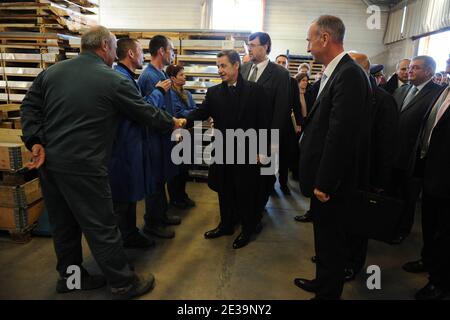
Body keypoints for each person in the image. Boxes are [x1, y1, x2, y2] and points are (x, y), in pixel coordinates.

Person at [20, 26, 185, 299]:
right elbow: (144, 112)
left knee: (65, 226)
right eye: (113, 48)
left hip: (50, 165)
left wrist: (34, 140)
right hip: (84, 166)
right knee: (101, 225)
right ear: (106, 47)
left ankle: (71, 279)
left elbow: (29, 106)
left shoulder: (52, 72)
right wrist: (173, 121)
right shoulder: (111, 79)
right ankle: (123, 282)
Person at [293, 15, 371, 300]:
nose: (307, 45)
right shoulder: (335, 71)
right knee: (323, 238)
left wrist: (325, 182)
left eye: (309, 39)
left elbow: (341, 135)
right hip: (323, 178)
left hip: (332, 183)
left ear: (324, 38)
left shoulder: (348, 74)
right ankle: (323, 281)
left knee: (332, 239)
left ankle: (328, 293)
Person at [186, 50, 270, 249]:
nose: (219, 70)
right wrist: (183, 121)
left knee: (246, 192)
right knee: (224, 190)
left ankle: (247, 229)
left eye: (223, 66)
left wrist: (264, 150)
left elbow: (265, 123)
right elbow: (201, 112)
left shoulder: (256, 91)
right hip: (223, 151)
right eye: (218, 66)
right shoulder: (214, 92)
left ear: (236, 65)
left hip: (248, 151)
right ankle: (226, 225)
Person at [390, 56, 442, 245]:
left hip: (414, 157)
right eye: (409, 67)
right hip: (393, 153)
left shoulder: (437, 93)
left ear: (429, 71)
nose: (409, 71)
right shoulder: (402, 90)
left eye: (415, 68)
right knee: (392, 193)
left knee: (407, 197)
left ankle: (402, 230)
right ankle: (388, 225)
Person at [109, 38, 154, 249]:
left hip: (130, 147)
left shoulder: (127, 77)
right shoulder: (121, 79)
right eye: (141, 51)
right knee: (121, 200)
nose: (143, 55)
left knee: (129, 196)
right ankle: (118, 250)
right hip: (121, 150)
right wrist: (159, 93)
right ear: (131, 54)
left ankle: (130, 234)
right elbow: (142, 110)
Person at [138, 35, 181, 239]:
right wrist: (172, 123)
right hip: (154, 137)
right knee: (154, 181)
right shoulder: (148, 77)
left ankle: (161, 215)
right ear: (162, 51)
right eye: (171, 49)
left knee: (162, 177)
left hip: (165, 135)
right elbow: (150, 111)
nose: (173, 53)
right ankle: (152, 223)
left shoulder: (161, 72)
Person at [241, 32, 291, 201]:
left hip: (265, 138)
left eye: (253, 45)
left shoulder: (280, 74)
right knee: (244, 180)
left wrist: (271, 143)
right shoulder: (244, 69)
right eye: (249, 45)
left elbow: (281, 110)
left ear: (266, 46)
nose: (250, 48)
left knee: (264, 180)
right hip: (242, 136)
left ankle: (257, 216)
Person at [412, 86, 450, 300]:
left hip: (446, 176)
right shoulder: (443, 91)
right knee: (430, 223)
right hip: (431, 169)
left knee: (445, 232)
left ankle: (440, 283)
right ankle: (427, 261)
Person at [166, 64, 197, 209]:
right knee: (175, 169)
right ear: (172, 78)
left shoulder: (187, 94)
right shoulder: (170, 95)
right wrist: (189, 112)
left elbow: (194, 110)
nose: (184, 77)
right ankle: (175, 198)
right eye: (181, 75)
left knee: (184, 168)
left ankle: (182, 195)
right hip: (177, 134)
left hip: (188, 133)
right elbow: (178, 112)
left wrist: (189, 112)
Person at [275, 54, 302, 187]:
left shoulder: (292, 82)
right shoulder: (269, 80)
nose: (281, 64)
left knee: (284, 156)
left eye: (283, 62)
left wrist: (299, 123)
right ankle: (269, 185)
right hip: (270, 123)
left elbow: (296, 104)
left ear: (287, 65)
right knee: (270, 156)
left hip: (285, 124)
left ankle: (283, 183)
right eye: (278, 62)